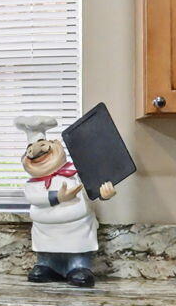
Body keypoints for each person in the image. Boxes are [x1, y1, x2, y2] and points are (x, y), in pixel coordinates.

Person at [16, 114, 116, 287]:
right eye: (30, 149)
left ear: (57, 146)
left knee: (77, 252)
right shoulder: (32, 185)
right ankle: (46, 265)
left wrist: (104, 193)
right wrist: (59, 197)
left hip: (76, 230)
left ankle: (78, 267)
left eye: (43, 146)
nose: (37, 151)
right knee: (46, 253)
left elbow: (92, 188)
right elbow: (35, 198)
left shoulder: (76, 173)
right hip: (45, 232)